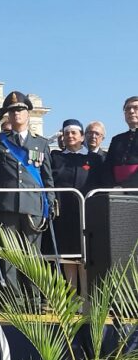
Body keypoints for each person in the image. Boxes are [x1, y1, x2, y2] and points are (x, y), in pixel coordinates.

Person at [0, 91, 55, 309]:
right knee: (10, 256)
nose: (16, 113)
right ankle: (15, 300)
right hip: (6, 204)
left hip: (33, 205)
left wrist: (51, 201)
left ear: (28, 112)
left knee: (32, 256)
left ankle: (34, 299)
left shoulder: (41, 143)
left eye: (20, 109)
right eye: (11, 110)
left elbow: (47, 177)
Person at [48, 119, 103, 287]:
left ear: (81, 136)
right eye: (66, 133)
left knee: (84, 255)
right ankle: (72, 295)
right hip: (63, 213)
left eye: (74, 133)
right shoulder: (55, 157)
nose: (70, 136)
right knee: (67, 255)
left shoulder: (94, 159)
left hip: (86, 213)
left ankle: (85, 294)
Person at [104, 96, 138, 187]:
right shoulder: (117, 139)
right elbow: (108, 166)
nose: (131, 111)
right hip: (116, 190)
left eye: (136, 108)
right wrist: (112, 186)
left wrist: (126, 186)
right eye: (127, 109)